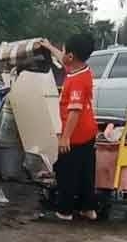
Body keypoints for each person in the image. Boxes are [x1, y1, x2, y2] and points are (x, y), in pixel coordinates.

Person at [40, 34, 99, 221]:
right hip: (88, 132)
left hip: (76, 135)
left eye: (64, 50)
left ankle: (64, 211)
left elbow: (75, 111)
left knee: (66, 172)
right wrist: (49, 47)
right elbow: (62, 59)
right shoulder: (82, 70)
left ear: (71, 56)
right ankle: (88, 209)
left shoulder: (76, 81)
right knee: (86, 172)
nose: (62, 53)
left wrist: (65, 137)